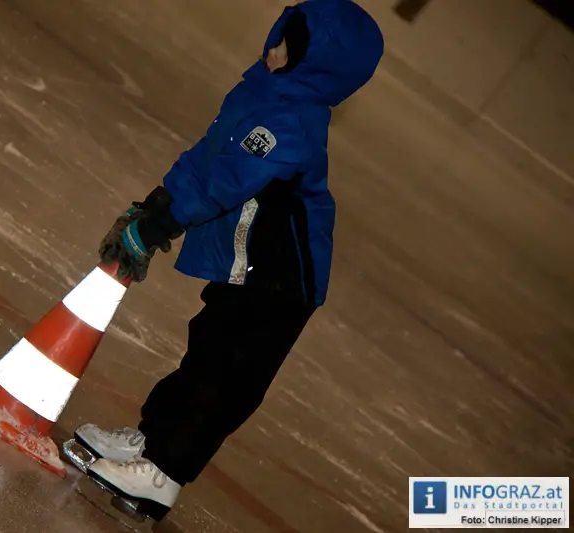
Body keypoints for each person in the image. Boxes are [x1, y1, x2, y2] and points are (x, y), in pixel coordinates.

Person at [79, 0, 384, 521]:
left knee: (223, 374)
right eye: (279, 34)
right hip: (247, 265)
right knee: (206, 349)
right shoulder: (261, 90)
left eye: (290, 44)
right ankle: (152, 441)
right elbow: (207, 157)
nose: (274, 46)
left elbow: (224, 184)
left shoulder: (292, 122)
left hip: (280, 281)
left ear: (318, 66)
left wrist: (160, 228)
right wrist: (157, 204)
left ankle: (164, 473)